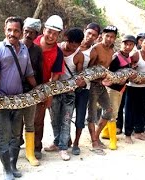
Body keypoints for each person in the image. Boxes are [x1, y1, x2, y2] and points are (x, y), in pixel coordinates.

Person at [0, 16, 36, 179]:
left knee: (16, 135)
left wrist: (40, 92)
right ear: (4, 30)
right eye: (9, 30)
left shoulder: (24, 50)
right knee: (5, 136)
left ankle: (13, 166)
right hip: (2, 101)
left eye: (16, 30)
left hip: (19, 100)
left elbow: (29, 73)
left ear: (21, 32)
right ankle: (6, 169)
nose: (12, 33)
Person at [44, 28, 84, 160]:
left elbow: (79, 75)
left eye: (77, 45)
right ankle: (57, 142)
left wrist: (79, 82)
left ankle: (63, 147)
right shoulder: (57, 49)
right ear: (66, 39)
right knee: (54, 120)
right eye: (72, 44)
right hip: (54, 90)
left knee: (66, 120)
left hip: (69, 93)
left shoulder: (79, 56)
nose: (74, 48)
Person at [33, 15, 64, 159]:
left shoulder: (58, 53)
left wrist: (49, 95)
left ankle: (36, 147)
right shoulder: (32, 43)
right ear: (44, 29)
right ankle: (19, 142)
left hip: (43, 88)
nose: (51, 36)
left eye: (55, 33)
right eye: (49, 31)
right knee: (20, 117)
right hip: (24, 86)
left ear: (59, 35)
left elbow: (56, 75)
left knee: (38, 120)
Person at [86, 25, 117, 155]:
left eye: (112, 37)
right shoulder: (95, 49)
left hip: (101, 85)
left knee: (109, 110)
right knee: (92, 115)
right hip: (92, 85)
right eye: (107, 36)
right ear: (102, 35)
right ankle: (94, 142)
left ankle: (96, 136)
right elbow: (88, 69)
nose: (109, 39)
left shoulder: (111, 51)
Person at [72, 22, 101, 156]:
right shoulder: (73, 44)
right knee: (64, 116)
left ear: (97, 37)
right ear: (84, 31)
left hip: (84, 88)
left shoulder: (93, 53)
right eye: (89, 33)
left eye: (94, 35)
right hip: (67, 87)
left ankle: (76, 143)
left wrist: (84, 81)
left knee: (80, 116)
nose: (90, 37)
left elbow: (91, 71)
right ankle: (62, 141)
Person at [103, 35, 136, 146]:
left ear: (133, 46)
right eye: (125, 44)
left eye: (130, 44)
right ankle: (113, 141)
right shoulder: (115, 57)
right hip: (112, 89)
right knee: (113, 113)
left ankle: (105, 133)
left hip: (121, 89)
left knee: (114, 111)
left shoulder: (128, 58)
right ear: (121, 44)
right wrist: (117, 81)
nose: (127, 47)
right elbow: (108, 73)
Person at [20, 17, 42, 166]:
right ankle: (15, 150)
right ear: (23, 31)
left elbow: (39, 72)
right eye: (26, 31)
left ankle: (30, 152)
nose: (28, 35)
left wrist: (39, 91)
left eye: (32, 33)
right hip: (13, 91)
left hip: (31, 90)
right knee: (15, 123)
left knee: (30, 122)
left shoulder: (37, 50)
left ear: (36, 35)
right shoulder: (13, 46)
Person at [125, 34, 145, 142]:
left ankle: (138, 132)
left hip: (144, 86)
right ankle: (128, 134)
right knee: (130, 111)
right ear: (141, 43)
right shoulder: (135, 55)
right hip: (132, 87)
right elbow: (128, 70)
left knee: (142, 111)